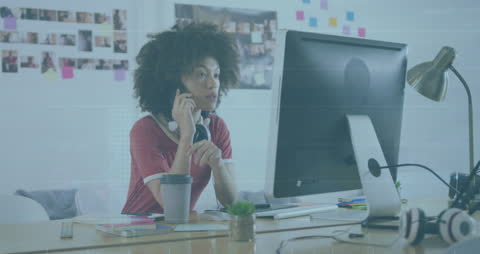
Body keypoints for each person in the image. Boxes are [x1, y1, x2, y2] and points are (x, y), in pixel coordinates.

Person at [122, 23, 239, 214]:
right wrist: (187, 136)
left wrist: (218, 165)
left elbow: (232, 203)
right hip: (141, 231)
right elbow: (171, 205)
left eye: (216, 74)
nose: (212, 83)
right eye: (201, 74)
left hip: (184, 229)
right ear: (173, 82)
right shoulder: (144, 130)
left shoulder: (217, 127)